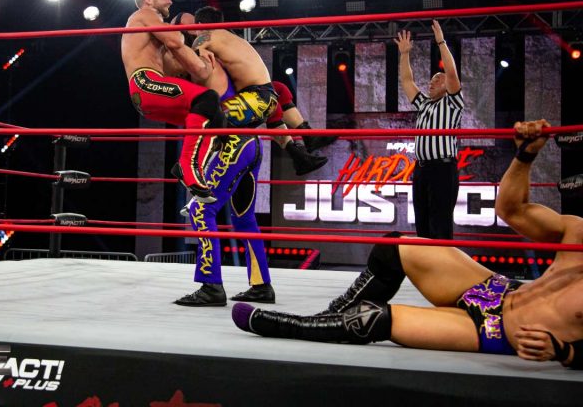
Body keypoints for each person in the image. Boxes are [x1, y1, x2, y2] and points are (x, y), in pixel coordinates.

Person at [232, 119, 583, 369]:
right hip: (496, 291)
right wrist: (525, 156)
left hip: (498, 333)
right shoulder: (577, 231)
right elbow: (512, 210)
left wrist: (564, 351)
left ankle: (292, 326)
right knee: (397, 246)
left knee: (372, 319)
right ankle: (327, 317)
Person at [165, 15, 275, 307]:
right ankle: (261, 285)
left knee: (201, 209)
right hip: (250, 143)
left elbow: (183, 68)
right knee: (244, 218)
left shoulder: (204, 60)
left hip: (234, 145)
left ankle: (211, 285)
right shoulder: (217, 57)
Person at [191, 7, 330, 176]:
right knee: (274, 93)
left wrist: (196, 49)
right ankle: (301, 152)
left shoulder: (206, 36)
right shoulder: (233, 37)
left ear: (199, 24)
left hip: (256, 98)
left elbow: (192, 58)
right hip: (266, 97)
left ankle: (194, 169)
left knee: (207, 123)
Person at [121, 0, 224, 203]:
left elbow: (194, 70)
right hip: (144, 82)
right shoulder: (145, 14)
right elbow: (176, 40)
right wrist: (184, 39)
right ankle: (187, 165)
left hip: (151, 89)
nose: (169, 1)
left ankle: (193, 171)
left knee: (215, 117)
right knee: (207, 98)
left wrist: (202, 56)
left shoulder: (155, 35)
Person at [397, 21, 464, 239]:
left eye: (437, 80)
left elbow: (451, 73)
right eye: (431, 79)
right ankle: (426, 260)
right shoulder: (424, 103)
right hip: (421, 169)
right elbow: (407, 81)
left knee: (440, 225)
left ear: (447, 85)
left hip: (442, 169)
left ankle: (442, 262)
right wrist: (404, 54)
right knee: (422, 224)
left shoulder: (453, 103)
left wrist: (441, 42)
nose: (431, 83)